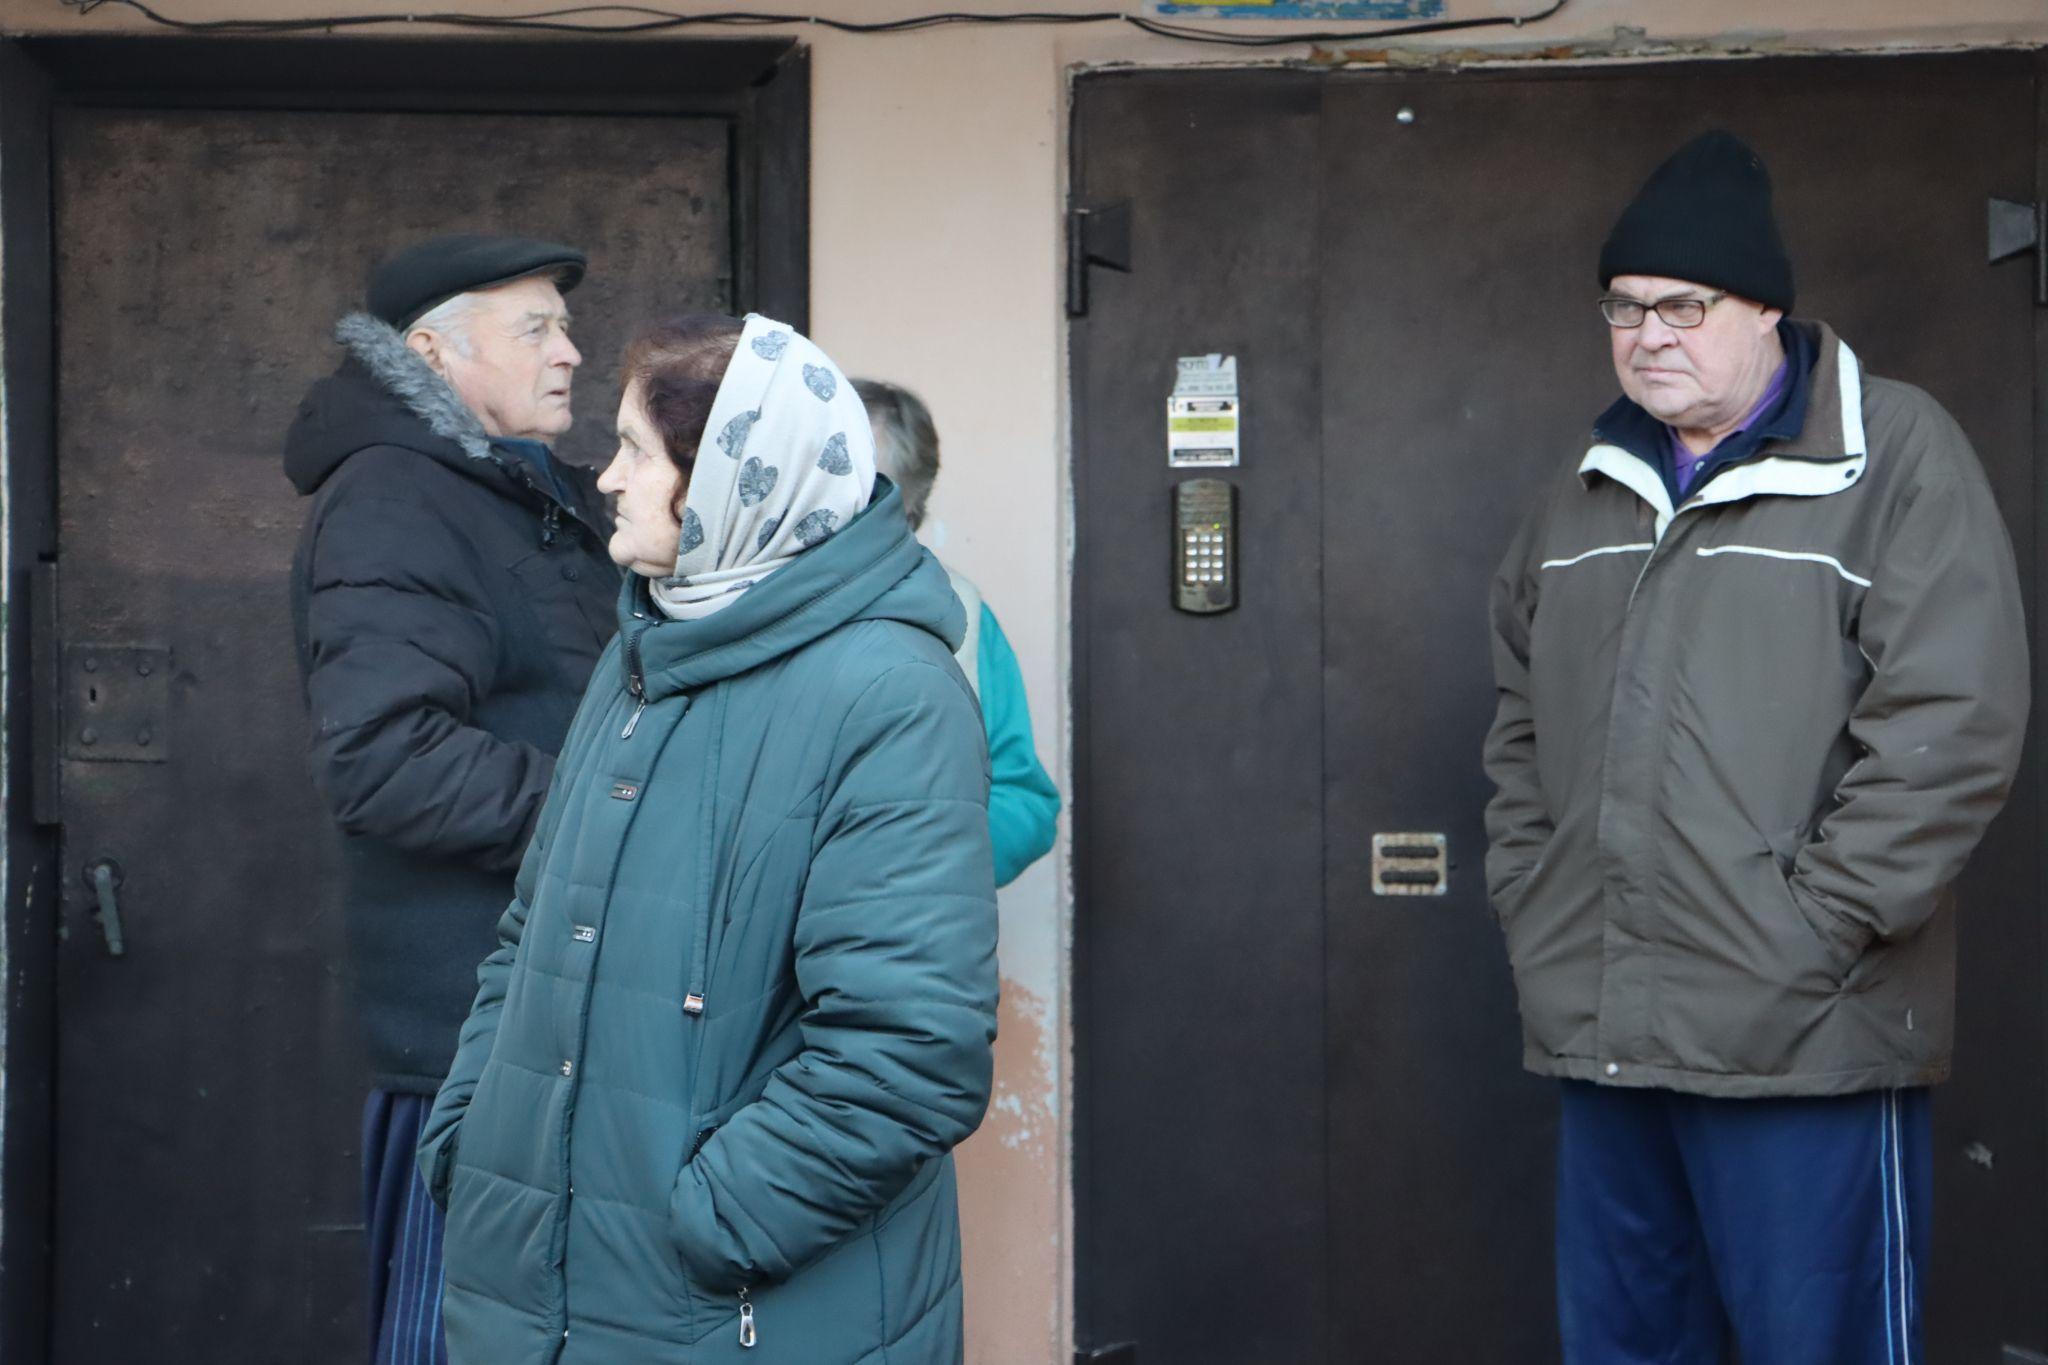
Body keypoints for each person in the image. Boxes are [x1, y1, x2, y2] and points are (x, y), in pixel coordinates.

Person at [1482, 131, 2028, 1364]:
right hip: (1607, 1029)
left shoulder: (1893, 455)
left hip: (1805, 1043)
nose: (1646, 336)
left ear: (1765, 310)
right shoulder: (1580, 491)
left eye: (1683, 305)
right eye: (1622, 308)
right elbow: (1514, 724)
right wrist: (1531, 894)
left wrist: (1813, 928)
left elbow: (1953, 723)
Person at [419, 312, 1000, 1362]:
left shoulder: (887, 693)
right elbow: (530, 936)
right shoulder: (645, 650)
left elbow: (905, 1053)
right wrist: (475, 1133)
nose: (607, 479)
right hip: (542, 1288)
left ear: (734, 482)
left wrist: (709, 1222)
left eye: (639, 452)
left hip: (729, 1310)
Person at [285, 232, 619, 1365]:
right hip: (474, 1053)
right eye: (534, 328)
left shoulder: (510, 488)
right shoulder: (397, 496)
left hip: (544, 1026)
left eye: (563, 326)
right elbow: (387, 758)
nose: (570, 352)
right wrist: (621, 816)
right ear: (429, 350)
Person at [853, 378, 1059, 887]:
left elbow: (1024, 800)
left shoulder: (961, 612)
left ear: (908, 509)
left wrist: (922, 866)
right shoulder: (729, 599)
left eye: (859, 490)